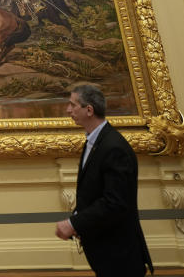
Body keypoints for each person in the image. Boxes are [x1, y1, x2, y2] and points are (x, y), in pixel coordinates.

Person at [55, 84, 153, 277]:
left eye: (72, 105)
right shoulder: (95, 141)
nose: (68, 110)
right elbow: (94, 190)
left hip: (119, 253)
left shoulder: (114, 147)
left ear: (89, 110)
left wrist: (74, 223)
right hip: (106, 251)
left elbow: (115, 203)